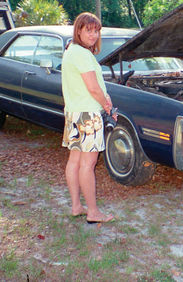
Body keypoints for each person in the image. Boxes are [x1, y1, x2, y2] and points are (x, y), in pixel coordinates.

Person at [61, 12, 116, 224]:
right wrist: (107, 106)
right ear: (78, 30)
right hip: (87, 116)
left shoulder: (72, 51)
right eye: (88, 30)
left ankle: (77, 206)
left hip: (74, 113)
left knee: (75, 160)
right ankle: (93, 212)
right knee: (88, 164)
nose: (93, 35)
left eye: (96, 31)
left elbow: (92, 87)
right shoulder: (82, 55)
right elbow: (93, 88)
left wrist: (105, 99)